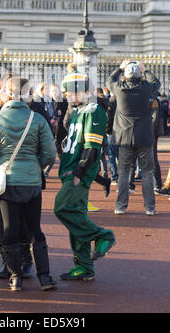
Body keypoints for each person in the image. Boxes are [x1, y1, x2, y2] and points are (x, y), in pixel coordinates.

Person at [0, 77, 57, 292]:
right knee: (35, 230)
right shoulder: (37, 119)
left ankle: (15, 277)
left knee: (9, 230)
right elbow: (50, 153)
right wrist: (36, 165)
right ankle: (45, 277)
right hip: (31, 180)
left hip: (7, 180)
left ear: (8, 93)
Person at [54, 71, 115, 281]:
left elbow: (92, 147)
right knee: (76, 218)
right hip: (70, 170)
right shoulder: (78, 111)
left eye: (68, 91)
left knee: (61, 208)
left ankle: (103, 235)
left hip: (77, 172)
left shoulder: (94, 110)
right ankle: (84, 267)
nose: (65, 95)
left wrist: (79, 173)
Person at [106, 60, 161, 215]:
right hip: (144, 135)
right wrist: (146, 70)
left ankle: (120, 206)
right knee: (147, 172)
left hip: (124, 136)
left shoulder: (119, 89)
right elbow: (156, 83)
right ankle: (149, 208)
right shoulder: (146, 89)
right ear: (139, 75)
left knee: (123, 172)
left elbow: (109, 80)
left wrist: (119, 68)